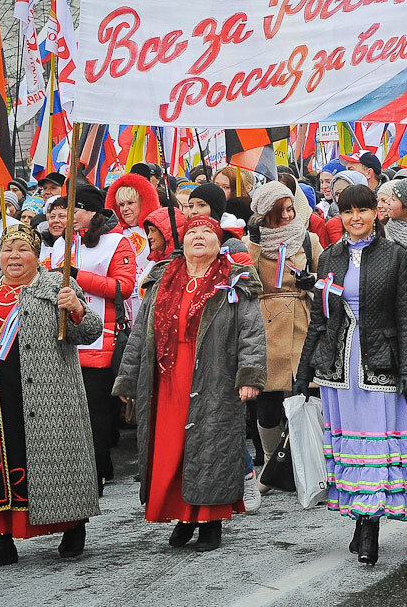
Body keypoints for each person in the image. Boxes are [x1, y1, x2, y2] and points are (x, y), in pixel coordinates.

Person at [0, 225, 101, 569]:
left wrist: (78, 310)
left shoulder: (57, 285)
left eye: (22, 250)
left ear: (36, 256)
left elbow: (88, 332)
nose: (13, 256)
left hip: (48, 394)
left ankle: (72, 527)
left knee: (53, 463)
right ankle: (1, 541)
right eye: (7, 250)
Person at [114, 216, 265, 551]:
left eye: (206, 232)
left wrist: (250, 375)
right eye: (192, 232)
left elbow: (252, 331)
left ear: (219, 241)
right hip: (168, 378)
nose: (198, 237)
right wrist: (128, 377)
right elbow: (141, 333)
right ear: (181, 241)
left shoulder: (235, 279)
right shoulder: (163, 276)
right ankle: (183, 515)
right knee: (173, 450)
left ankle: (210, 521)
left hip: (215, 375)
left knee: (210, 448)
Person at [295, 184, 407, 566]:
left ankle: (370, 527)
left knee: (376, 445)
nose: (356, 218)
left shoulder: (396, 257)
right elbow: (319, 318)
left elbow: (405, 316)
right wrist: (305, 372)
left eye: (363, 210)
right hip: (338, 366)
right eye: (348, 211)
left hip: (378, 361)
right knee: (350, 447)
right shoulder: (329, 258)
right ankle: (360, 520)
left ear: (376, 213)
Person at [49, 183, 137, 494]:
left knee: (96, 411)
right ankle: (81, 468)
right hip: (65, 338)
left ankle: (98, 470)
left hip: (100, 338)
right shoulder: (63, 242)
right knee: (71, 411)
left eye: (76, 209)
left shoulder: (117, 242)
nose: (69, 216)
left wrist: (76, 276)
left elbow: (123, 288)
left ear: (91, 211)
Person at [246, 181, 321, 487]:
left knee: (305, 396)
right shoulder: (252, 242)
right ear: (265, 215)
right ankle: (270, 465)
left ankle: (302, 464)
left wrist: (312, 282)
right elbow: (246, 281)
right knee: (267, 400)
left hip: (303, 320)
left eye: (291, 208)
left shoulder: (308, 239)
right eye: (281, 212)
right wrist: (251, 244)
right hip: (265, 325)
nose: (289, 215)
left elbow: (328, 278)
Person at [106, 172, 161, 316]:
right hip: (123, 301)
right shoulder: (113, 235)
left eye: (130, 203)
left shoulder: (154, 232)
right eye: (121, 204)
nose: (125, 208)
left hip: (148, 299)